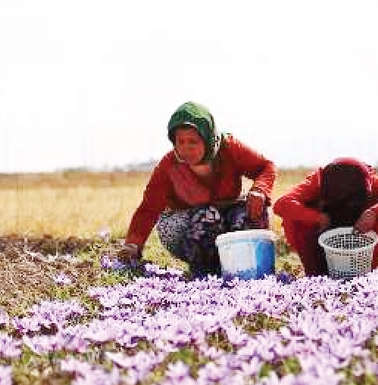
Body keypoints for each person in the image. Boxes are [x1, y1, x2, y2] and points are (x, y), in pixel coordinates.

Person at [117, 102, 276, 277]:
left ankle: (246, 270)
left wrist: (260, 190)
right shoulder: (168, 166)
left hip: (226, 216)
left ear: (208, 138)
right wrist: (133, 245)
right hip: (184, 225)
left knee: (251, 211)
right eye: (180, 141)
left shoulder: (229, 148)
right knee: (207, 216)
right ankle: (205, 273)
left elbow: (265, 167)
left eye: (193, 141)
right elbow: (148, 209)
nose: (186, 148)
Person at [273, 158, 378, 276]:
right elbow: (281, 205)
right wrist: (317, 217)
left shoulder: (370, 181)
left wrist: (374, 212)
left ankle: (369, 269)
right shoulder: (318, 181)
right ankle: (314, 271)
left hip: (360, 229)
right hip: (323, 228)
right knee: (292, 215)